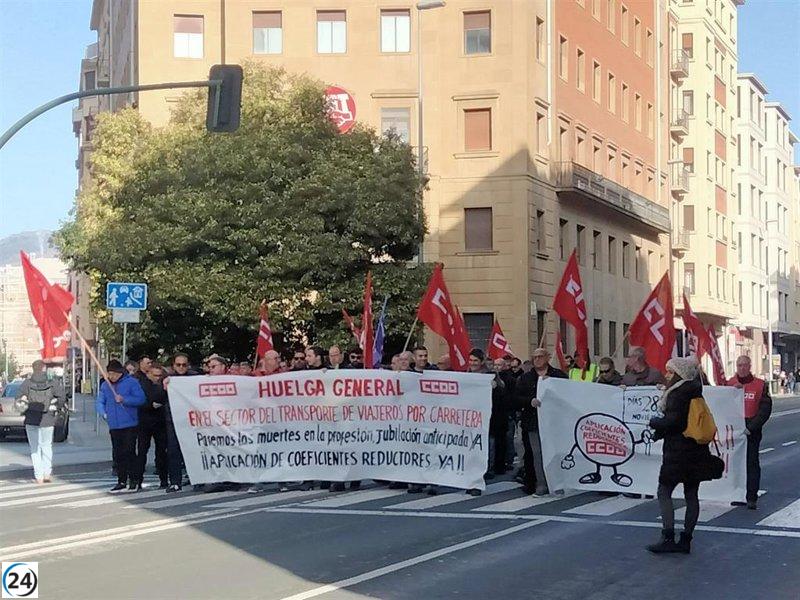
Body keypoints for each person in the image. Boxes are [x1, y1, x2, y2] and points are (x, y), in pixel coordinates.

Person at [647, 357, 713, 554]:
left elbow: (674, 422)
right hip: (696, 451)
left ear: (679, 374)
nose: (667, 375)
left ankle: (668, 536)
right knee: (691, 495)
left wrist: (654, 423)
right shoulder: (695, 391)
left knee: (664, 491)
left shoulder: (677, 394)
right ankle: (686, 540)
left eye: (670, 371)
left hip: (678, 452)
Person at [513, 348, 567, 496]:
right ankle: (541, 484)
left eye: (540, 356)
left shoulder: (558, 375)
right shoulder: (525, 378)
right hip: (533, 422)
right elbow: (516, 398)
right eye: (534, 357)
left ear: (547, 357)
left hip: (554, 422)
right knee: (537, 454)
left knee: (554, 453)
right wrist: (529, 401)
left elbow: (567, 395)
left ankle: (556, 482)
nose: (537, 359)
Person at [727, 355, 772, 509]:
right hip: (734, 430)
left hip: (751, 430)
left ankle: (751, 497)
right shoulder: (730, 384)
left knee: (751, 463)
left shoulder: (760, 385)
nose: (742, 368)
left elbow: (765, 410)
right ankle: (737, 494)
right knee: (735, 464)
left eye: (745, 365)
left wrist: (751, 427)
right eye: (739, 365)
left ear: (749, 366)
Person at [96, 360, 146, 493]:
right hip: (114, 424)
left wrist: (125, 400)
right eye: (109, 373)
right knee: (118, 454)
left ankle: (134, 480)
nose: (111, 376)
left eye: (114, 374)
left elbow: (141, 399)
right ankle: (121, 480)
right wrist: (103, 413)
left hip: (129, 423)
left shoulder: (132, 382)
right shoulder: (105, 385)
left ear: (120, 373)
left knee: (129, 452)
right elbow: (100, 401)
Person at [15, 360, 66, 484]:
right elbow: (62, 397)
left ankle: (38, 476)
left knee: (35, 448)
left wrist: (24, 408)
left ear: (33, 369)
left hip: (31, 419)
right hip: (47, 418)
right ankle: (47, 473)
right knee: (47, 446)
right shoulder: (52, 382)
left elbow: (18, 400)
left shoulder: (26, 383)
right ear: (44, 369)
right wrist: (56, 408)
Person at [135, 362, 169, 489]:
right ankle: (138, 480)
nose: (157, 378)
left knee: (161, 452)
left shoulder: (163, 384)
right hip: (145, 421)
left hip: (160, 421)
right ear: (149, 374)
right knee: (142, 451)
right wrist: (150, 405)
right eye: (155, 375)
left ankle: (163, 479)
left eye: (159, 376)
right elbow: (138, 401)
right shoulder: (141, 384)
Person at [163, 353, 193, 492]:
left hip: (191, 420)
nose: (181, 367)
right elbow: (157, 397)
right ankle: (175, 482)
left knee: (193, 450)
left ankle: (197, 479)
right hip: (173, 420)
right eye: (178, 364)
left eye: (184, 365)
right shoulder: (168, 379)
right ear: (173, 366)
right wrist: (164, 387)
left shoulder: (194, 378)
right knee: (173, 451)